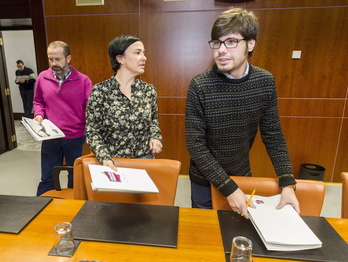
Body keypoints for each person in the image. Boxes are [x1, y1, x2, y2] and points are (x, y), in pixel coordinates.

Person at [185, 7, 300, 218]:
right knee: (205, 237)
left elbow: (273, 134)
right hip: (204, 180)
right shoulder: (200, 85)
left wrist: (287, 181)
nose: (221, 49)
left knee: (238, 231)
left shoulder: (264, 81)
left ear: (250, 44)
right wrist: (227, 188)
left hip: (241, 174)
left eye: (231, 42)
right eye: (217, 42)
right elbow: (195, 145)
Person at [85, 35, 163, 170]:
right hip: (112, 162)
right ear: (120, 58)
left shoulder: (148, 90)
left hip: (144, 161)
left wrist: (155, 137)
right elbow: (92, 131)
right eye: (138, 53)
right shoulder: (100, 91)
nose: (144, 57)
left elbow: (153, 123)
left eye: (143, 53)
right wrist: (104, 158)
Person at [33, 41, 93, 196]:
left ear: (68, 58)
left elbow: (92, 108)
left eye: (58, 59)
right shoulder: (42, 77)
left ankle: (74, 209)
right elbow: (38, 101)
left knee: (75, 175)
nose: (54, 63)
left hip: (75, 135)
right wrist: (38, 114)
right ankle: (43, 207)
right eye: (51, 59)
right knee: (47, 176)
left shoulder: (83, 81)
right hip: (50, 135)